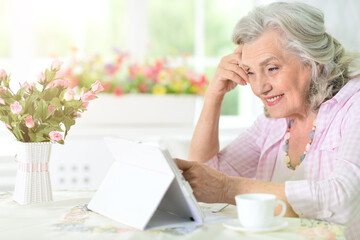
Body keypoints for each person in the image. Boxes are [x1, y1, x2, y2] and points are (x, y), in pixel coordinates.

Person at [174, 2, 360, 239]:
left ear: (313, 60)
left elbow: (343, 198)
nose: (260, 87)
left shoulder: (354, 106)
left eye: (271, 68)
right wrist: (214, 95)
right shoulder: (273, 122)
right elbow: (204, 175)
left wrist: (228, 188)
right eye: (250, 72)